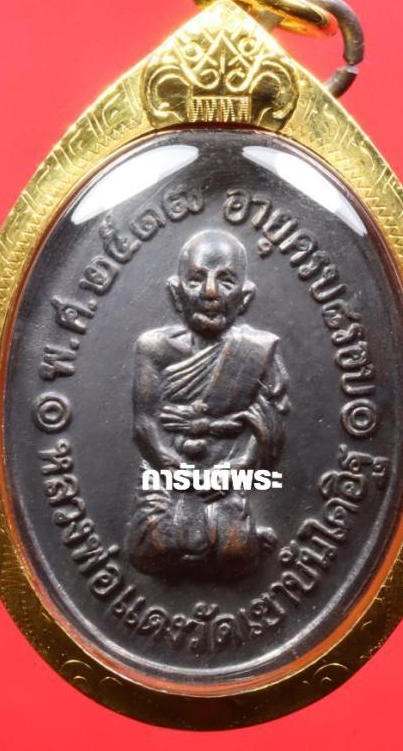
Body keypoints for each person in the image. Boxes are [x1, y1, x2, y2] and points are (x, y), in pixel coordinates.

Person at [126, 229, 290, 580]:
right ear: (176, 293)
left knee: (236, 554)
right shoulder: (154, 348)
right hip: (166, 472)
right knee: (155, 547)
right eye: (197, 279)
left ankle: (236, 526)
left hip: (228, 474)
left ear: (245, 298)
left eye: (226, 280)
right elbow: (144, 426)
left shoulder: (258, 350)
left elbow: (269, 428)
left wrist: (238, 468)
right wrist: (176, 471)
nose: (210, 292)